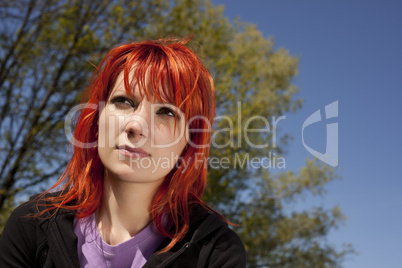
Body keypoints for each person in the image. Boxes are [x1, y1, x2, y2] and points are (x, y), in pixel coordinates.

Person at [0, 38, 246, 267]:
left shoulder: (216, 252)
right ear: (97, 118)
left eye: (166, 112)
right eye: (124, 102)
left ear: (190, 141)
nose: (136, 126)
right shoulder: (31, 226)